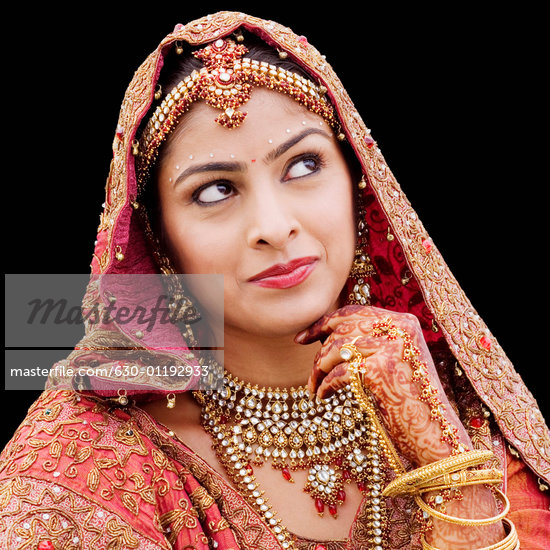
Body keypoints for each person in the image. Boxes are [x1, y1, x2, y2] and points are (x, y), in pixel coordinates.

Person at [1, 11, 548, 550]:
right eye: (215, 190)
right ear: (157, 240)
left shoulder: (457, 404)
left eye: (304, 165)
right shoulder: (87, 462)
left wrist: (439, 453)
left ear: (358, 183)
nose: (274, 226)